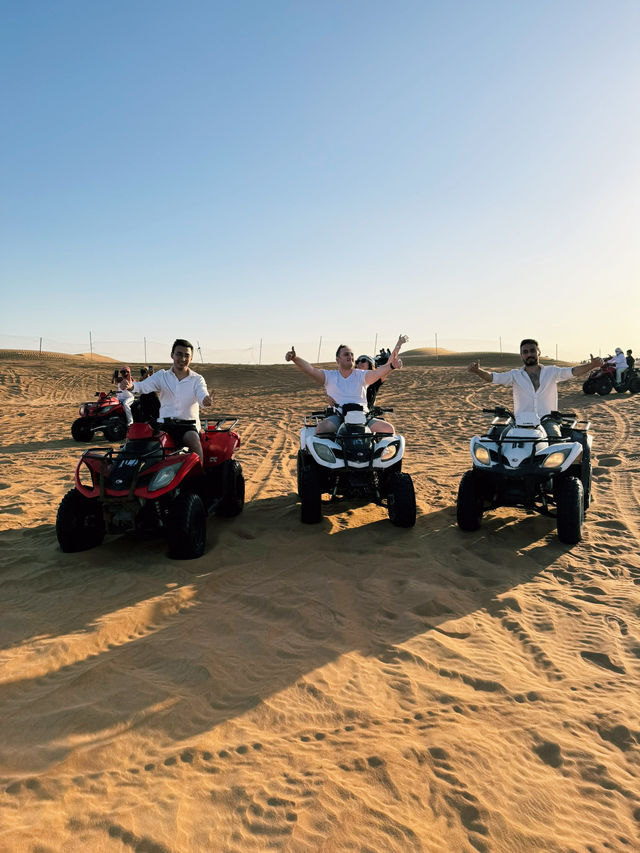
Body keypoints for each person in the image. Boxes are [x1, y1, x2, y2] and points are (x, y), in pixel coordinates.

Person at [468, 339, 603, 436]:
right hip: (520, 423)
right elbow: (493, 377)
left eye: (532, 351)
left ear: (539, 353)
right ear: (521, 355)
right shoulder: (515, 375)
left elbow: (573, 372)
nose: (529, 354)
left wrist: (592, 365)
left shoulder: (552, 372)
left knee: (555, 441)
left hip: (548, 421)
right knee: (502, 443)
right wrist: (478, 371)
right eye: (525, 352)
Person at [119, 339, 213, 463]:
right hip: (164, 424)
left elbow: (202, 395)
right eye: (179, 354)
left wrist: (205, 400)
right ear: (172, 355)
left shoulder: (197, 379)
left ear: (191, 358)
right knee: (141, 441)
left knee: (193, 439)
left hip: (188, 426)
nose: (183, 358)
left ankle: (199, 475)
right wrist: (131, 386)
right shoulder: (162, 376)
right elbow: (143, 386)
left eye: (186, 355)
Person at [285, 338, 405, 435]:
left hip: (363, 418)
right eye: (346, 354)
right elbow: (310, 370)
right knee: (321, 429)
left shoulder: (361, 375)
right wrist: (295, 358)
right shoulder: (329, 376)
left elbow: (378, 372)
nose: (350, 357)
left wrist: (391, 366)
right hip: (339, 417)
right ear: (338, 359)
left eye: (352, 354)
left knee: (388, 429)